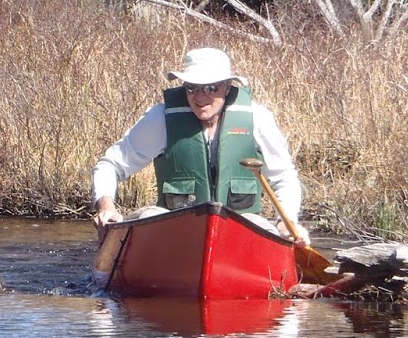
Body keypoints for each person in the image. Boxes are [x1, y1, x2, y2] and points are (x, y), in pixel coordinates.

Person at [92, 46, 309, 244]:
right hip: (175, 228)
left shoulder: (257, 118)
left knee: (267, 229)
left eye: (211, 88)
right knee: (149, 216)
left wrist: (286, 221)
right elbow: (109, 166)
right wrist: (106, 206)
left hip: (240, 227)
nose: (199, 97)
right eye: (191, 88)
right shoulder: (161, 118)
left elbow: (284, 177)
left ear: (228, 86)